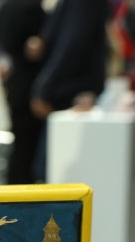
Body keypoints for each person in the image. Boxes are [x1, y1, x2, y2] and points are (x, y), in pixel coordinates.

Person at [28, 0, 109, 182]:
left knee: (54, 172)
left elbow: (71, 45)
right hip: (69, 91)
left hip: (72, 94)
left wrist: (43, 89)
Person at [0, 0, 47, 184]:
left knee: (20, 148)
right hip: (30, 90)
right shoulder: (30, 8)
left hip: (16, 87)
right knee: (27, 150)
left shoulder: (5, 8)